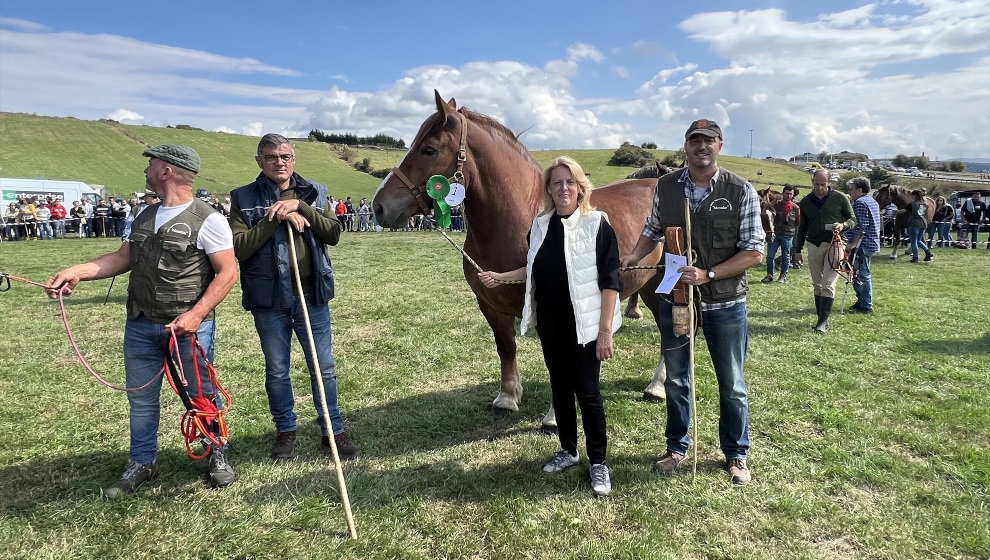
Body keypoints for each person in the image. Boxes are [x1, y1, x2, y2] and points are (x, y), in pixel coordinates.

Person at [44, 144, 238, 499]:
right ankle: (141, 463)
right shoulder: (142, 215)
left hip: (186, 328)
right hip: (140, 324)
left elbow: (227, 273)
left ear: (167, 171)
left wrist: (195, 315)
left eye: (152, 164)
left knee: (202, 395)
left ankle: (217, 455)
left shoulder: (209, 218)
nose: (146, 170)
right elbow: (122, 258)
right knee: (142, 401)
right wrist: (77, 272)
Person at [621, 119, 764, 486]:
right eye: (694, 140)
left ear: (719, 145)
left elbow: (754, 253)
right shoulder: (667, 188)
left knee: (731, 383)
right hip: (678, 301)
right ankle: (676, 448)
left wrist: (709, 275)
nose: (701, 146)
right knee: (677, 380)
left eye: (708, 141)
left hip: (725, 303)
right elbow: (652, 229)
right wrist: (632, 258)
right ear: (686, 146)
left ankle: (736, 453)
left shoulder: (741, 190)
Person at [478, 156, 621, 497]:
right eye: (556, 183)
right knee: (559, 388)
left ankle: (598, 462)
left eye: (569, 182)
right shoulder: (540, 225)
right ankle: (569, 450)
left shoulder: (598, 225)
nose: (563, 188)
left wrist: (604, 332)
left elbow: (611, 281)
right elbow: (532, 268)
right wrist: (500, 277)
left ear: (580, 186)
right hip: (552, 324)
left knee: (588, 392)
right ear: (548, 190)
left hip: (586, 326)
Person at [228, 133, 360, 461]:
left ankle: (332, 430)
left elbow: (333, 234)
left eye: (285, 156)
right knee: (277, 369)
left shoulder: (315, 192)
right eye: (272, 157)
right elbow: (240, 247)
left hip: (311, 295)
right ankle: (286, 429)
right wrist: (277, 217)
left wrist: (300, 206)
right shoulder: (242, 197)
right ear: (259, 161)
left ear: (294, 159)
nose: (280, 162)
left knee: (323, 367)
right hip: (269, 298)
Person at [793, 170, 855, 333]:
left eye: (822, 184)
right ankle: (821, 317)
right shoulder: (806, 202)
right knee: (817, 284)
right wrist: (797, 249)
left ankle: (822, 322)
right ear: (812, 182)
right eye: (816, 184)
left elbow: (852, 219)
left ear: (829, 183)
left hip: (835, 244)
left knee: (828, 283)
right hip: (814, 244)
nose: (819, 188)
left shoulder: (840, 198)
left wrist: (843, 226)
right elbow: (802, 227)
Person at [844, 177, 881, 313]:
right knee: (858, 273)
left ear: (859, 190)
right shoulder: (872, 201)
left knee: (861, 274)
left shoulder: (859, 203)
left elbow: (861, 226)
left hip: (862, 244)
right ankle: (862, 301)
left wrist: (853, 243)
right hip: (870, 243)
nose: (850, 192)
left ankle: (866, 305)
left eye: (851, 189)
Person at [761, 185, 799, 284]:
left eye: (791, 194)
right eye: (787, 193)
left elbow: (798, 222)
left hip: (788, 235)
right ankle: (769, 275)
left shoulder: (795, 208)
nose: (788, 195)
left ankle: (783, 276)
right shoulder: (775, 206)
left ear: (793, 195)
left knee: (786, 256)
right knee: (770, 256)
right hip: (775, 234)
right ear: (783, 194)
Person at [906, 190, 933, 263]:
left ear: (915, 195)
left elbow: (904, 210)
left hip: (914, 223)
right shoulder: (926, 204)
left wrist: (897, 212)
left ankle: (915, 257)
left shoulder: (912, 204)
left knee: (913, 241)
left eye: (912, 195)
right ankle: (928, 252)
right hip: (923, 223)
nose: (911, 196)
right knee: (918, 240)